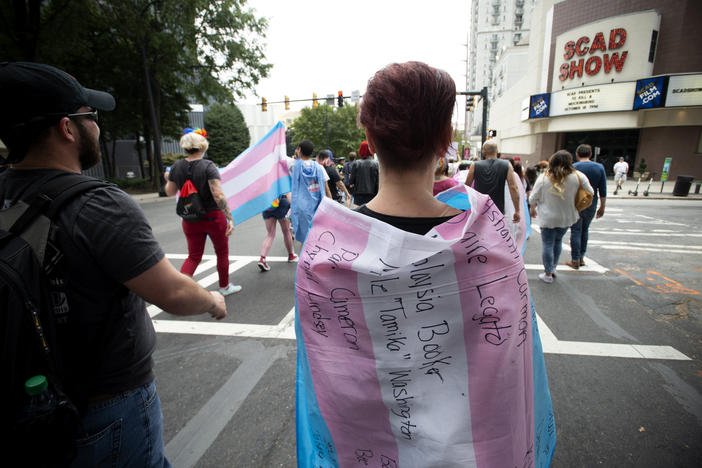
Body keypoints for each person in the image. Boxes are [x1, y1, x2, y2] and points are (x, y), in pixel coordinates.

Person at [295, 61, 546, 467]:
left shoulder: (324, 257)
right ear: (445, 138)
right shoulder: (492, 246)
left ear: (370, 140)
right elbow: (508, 375)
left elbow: (329, 382)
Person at [0, 61, 227, 466]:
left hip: (25, 399)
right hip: (103, 408)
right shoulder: (97, 204)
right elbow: (173, 293)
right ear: (67, 128)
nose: (97, 127)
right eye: (92, 117)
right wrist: (210, 300)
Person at [164, 130, 241, 296]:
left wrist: (169, 178)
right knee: (221, 252)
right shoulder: (208, 166)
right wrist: (230, 217)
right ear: (203, 146)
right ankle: (224, 287)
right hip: (213, 216)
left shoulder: (176, 166)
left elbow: (170, 192)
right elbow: (218, 194)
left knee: (193, 256)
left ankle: (180, 291)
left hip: (190, 218)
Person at [529, 149, 594, 283]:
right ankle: (553, 268)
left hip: (547, 217)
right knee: (558, 241)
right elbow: (590, 192)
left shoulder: (543, 178)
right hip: (567, 216)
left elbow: (532, 198)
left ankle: (547, 274)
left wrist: (533, 208)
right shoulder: (578, 176)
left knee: (547, 243)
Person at [567, 144, 606, 269]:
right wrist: (602, 207)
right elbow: (603, 190)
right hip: (591, 203)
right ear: (590, 154)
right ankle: (582, 257)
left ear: (577, 154)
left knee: (576, 230)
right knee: (585, 230)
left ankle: (575, 259)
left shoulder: (574, 167)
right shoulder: (599, 167)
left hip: (575, 203)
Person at [464, 140, 521, 223]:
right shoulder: (507, 165)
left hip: (479, 210)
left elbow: (466, 187)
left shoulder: (474, 165)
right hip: (497, 211)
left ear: (483, 151)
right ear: (497, 151)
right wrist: (517, 210)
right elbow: (513, 188)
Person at [289, 140, 331, 243]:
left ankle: (304, 258)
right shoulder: (319, 167)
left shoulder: (295, 166)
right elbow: (325, 187)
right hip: (317, 205)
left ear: (299, 150)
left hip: (302, 206)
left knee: (304, 237)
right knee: (315, 236)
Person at [257, 194, 297, 271]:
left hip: (267, 205)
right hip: (281, 203)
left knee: (270, 234)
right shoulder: (279, 181)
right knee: (286, 231)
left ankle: (262, 258)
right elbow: (287, 194)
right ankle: (291, 255)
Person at [349, 140, 379, 205]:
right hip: (372, 194)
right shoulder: (376, 164)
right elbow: (378, 182)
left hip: (359, 195)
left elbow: (351, 181)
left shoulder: (356, 163)